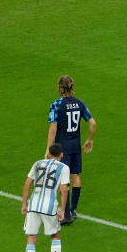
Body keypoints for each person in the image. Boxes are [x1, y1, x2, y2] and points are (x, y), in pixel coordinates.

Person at [46, 75, 96, 225]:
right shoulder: (80, 104)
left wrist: (49, 149)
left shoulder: (56, 104)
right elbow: (92, 123)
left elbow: (53, 127)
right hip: (75, 146)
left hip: (63, 148)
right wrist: (89, 140)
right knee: (75, 176)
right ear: (72, 87)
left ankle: (65, 215)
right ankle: (73, 209)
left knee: (63, 180)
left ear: (60, 88)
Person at [21, 144, 70, 252]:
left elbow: (27, 184)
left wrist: (24, 204)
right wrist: (62, 210)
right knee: (55, 236)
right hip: (49, 207)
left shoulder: (37, 163)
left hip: (33, 205)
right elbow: (64, 190)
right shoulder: (64, 168)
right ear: (61, 155)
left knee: (31, 237)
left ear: (48, 153)